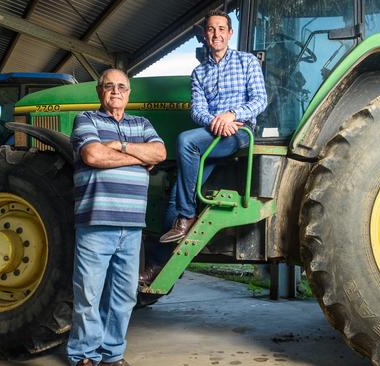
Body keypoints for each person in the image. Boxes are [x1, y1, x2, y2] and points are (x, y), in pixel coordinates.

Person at [67, 68, 166, 366]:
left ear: (129, 93)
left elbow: (159, 153)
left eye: (121, 87)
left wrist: (120, 147)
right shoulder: (87, 119)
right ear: (99, 91)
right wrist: (139, 158)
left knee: (124, 297)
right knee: (88, 295)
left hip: (132, 225)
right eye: (109, 86)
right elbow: (93, 156)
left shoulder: (142, 122)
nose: (115, 92)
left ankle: (112, 355)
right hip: (96, 222)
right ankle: (84, 355)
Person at [158, 9, 267, 244]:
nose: (216, 34)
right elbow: (198, 111)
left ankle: (187, 216)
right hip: (214, 135)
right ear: (205, 35)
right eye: (210, 29)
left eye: (221, 29)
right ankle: (157, 264)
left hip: (240, 133)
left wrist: (232, 115)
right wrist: (218, 122)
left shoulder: (247, 61)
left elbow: (260, 100)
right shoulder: (198, 73)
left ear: (229, 33)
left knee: (186, 141)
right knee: (177, 193)